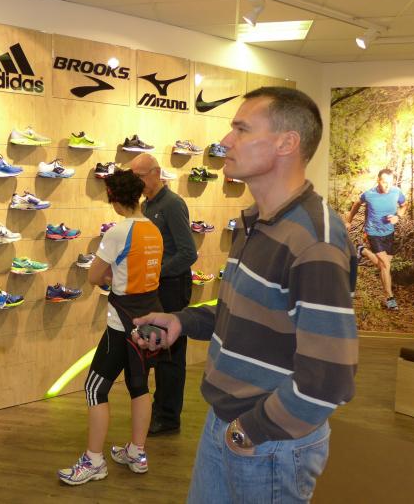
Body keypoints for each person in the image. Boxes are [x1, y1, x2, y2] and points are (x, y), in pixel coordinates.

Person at [132, 87, 358, 503]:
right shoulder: (257, 221)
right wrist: (182, 321)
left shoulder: (315, 240)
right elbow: (238, 311)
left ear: (286, 143)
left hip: (269, 442)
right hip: (225, 422)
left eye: (241, 129)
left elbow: (330, 376)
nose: (226, 141)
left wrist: (251, 430)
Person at [57, 169, 164, 485]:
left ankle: (94, 461)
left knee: (94, 388)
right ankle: (137, 453)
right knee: (139, 385)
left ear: (114, 199)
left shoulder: (118, 232)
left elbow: (93, 276)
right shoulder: (154, 230)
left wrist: (110, 277)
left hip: (121, 325)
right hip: (148, 321)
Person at [128, 153, 198, 435]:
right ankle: (157, 411)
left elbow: (188, 253)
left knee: (170, 354)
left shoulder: (172, 204)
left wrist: (156, 272)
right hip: (155, 287)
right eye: (134, 177)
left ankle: (168, 417)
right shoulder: (146, 206)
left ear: (156, 173)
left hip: (172, 286)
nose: (137, 182)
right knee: (154, 349)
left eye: (141, 176)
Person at [347, 168, 406, 310]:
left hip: (389, 233)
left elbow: (404, 205)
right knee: (385, 265)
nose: (387, 185)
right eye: (384, 182)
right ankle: (390, 298)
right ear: (378, 180)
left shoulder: (396, 192)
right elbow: (356, 203)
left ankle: (363, 251)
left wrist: (398, 216)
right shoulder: (369, 194)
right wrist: (348, 220)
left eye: (390, 182)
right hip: (373, 233)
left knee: (383, 266)